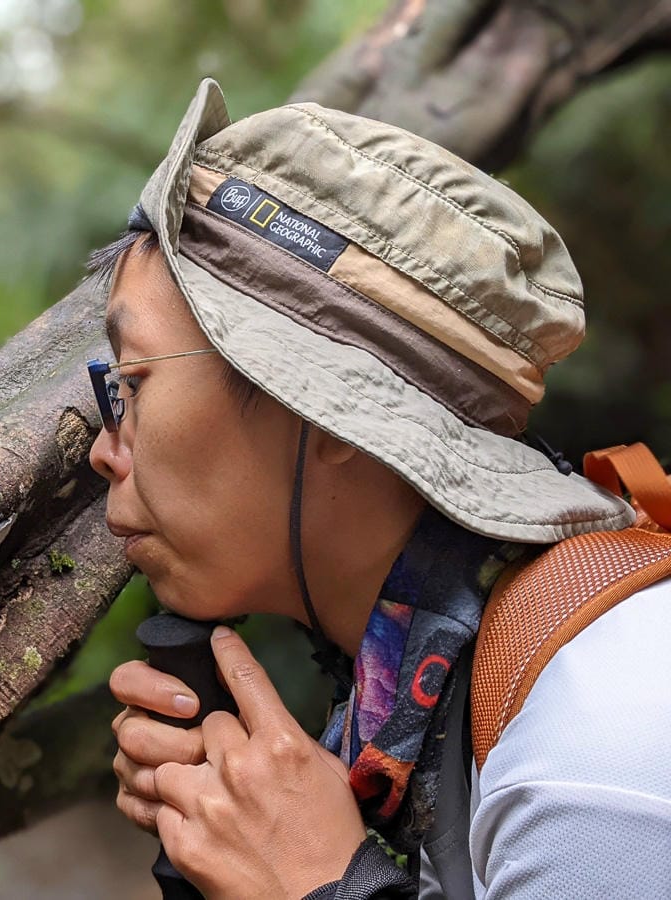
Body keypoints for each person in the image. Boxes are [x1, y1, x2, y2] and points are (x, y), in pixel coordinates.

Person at [86, 78, 671, 899]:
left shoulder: (587, 752)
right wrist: (232, 841)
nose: (103, 451)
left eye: (133, 381)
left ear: (322, 414)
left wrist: (323, 884)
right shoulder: (407, 716)